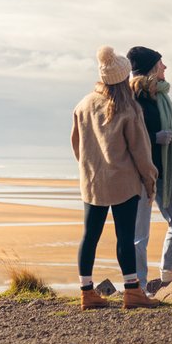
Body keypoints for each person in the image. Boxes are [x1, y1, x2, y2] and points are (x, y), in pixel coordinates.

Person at [70, 46, 159, 310]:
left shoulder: (83, 105)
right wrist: (150, 180)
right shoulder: (128, 108)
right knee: (125, 237)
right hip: (124, 182)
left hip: (93, 181)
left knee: (90, 236)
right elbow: (141, 151)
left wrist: (87, 167)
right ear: (122, 78)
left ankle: (87, 292)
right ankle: (132, 291)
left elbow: (76, 145)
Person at [127, 45, 172, 286]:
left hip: (165, 172)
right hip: (141, 173)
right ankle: (139, 288)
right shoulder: (131, 98)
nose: (165, 67)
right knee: (139, 237)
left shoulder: (161, 96)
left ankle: (168, 267)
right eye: (160, 64)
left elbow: (159, 124)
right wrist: (154, 138)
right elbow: (128, 135)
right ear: (150, 69)